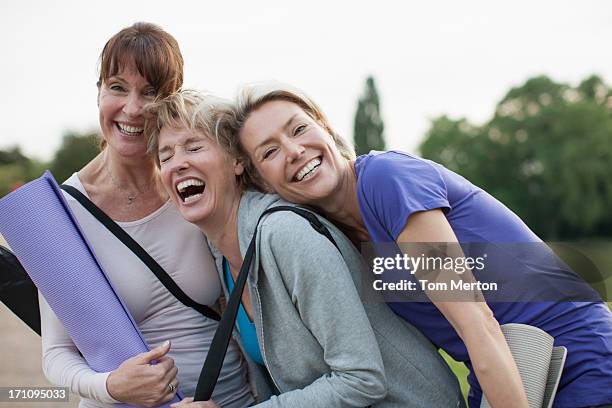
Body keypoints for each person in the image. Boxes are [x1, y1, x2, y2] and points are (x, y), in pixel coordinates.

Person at [220, 82, 612, 408]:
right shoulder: (336, 239)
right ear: (263, 183)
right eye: (269, 151)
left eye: (300, 128)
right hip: (509, 375)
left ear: (324, 128)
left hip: (576, 361)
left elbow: (478, 324)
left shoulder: (388, 182)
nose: (293, 150)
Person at [145, 90, 465, 408]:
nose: (178, 164)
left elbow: (362, 379)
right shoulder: (222, 258)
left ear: (237, 162)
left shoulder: (285, 235)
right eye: (166, 156)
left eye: (193, 147)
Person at [38, 23, 253, 408]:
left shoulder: (196, 186)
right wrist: (111, 386)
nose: (133, 108)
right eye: (117, 87)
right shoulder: (61, 211)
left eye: (151, 92)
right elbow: (55, 353)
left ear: (172, 100)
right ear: (100, 92)